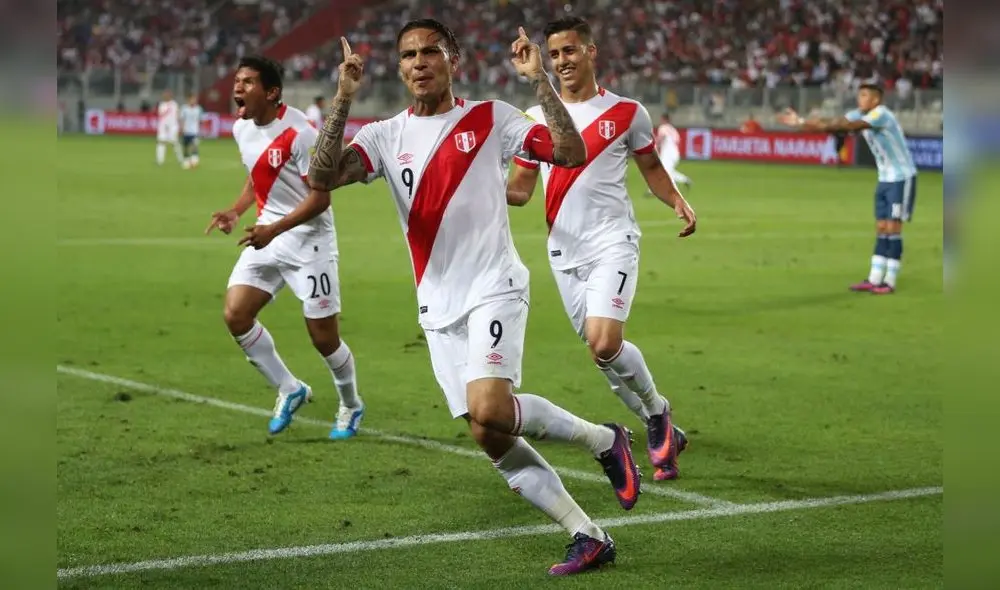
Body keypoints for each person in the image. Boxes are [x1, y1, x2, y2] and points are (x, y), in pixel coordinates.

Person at [309, 21, 641, 576]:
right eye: (408, 55)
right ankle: (587, 533)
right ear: (399, 67)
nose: (419, 62)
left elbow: (569, 149)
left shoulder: (491, 116)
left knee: (490, 407)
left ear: (453, 59)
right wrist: (343, 98)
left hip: (495, 285)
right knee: (490, 434)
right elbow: (321, 176)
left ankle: (605, 440)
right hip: (437, 304)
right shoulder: (384, 135)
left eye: (430, 52)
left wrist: (539, 82)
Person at [506, 16, 696, 482]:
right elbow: (520, 191)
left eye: (569, 51)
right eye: (553, 54)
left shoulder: (628, 112)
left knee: (607, 341)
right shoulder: (535, 120)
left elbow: (650, 165)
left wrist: (676, 199)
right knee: (600, 351)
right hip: (562, 251)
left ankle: (656, 414)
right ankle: (665, 427)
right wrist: (472, 190)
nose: (561, 61)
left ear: (591, 52)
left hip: (614, 240)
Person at [205, 55, 364, 439]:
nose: (237, 88)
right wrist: (236, 210)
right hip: (268, 234)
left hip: (309, 242)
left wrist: (273, 229)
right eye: (237, 81)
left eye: (247, 82)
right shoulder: (243, 129)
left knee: (324, 339)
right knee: (236, 315)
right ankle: (290, 388)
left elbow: (321, 198)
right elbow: (258, 174)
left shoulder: (302, 133)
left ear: (272, 92)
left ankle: (351, 405)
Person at [779, 83, 917, 294]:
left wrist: (833, 126)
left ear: (875, 100)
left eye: (864, 95)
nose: (859, 99)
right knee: (881, 228)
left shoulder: (881, 115)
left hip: (901, 178)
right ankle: (874, 278)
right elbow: (834, 123)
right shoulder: (857, 113)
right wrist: (800, 122)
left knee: (893, 228)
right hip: (884, 179)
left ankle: (889, 281)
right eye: (859, 95)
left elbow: (849, 127)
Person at [654, 112, 691, 188]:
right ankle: (684, 180)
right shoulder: (673, 129)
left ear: (663, 119)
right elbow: (677, 140)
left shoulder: (663, 127)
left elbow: (662, 137)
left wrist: (657, 145)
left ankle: (674, 191)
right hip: (674, 153)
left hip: (667, 154)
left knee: (665, 171)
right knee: (667, 171)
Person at [155, 89, 184, 166]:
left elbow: (178, 115)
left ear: (170, 95)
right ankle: (160, 161)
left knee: (174, 143)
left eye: (167, 94)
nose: (165, 96)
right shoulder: (161, 105)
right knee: (161, 142)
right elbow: (161, 116)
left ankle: (180, 159)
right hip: (163, 127)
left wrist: (180, 125)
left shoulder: (174, 104)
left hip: (173, 127)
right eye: (164, 94)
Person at [179, 94, 204, 169]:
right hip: (186, 131)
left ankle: (194, 161)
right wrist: (182, 129)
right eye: (192, 99)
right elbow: (182, 119)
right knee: (185, 147)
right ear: (188, 100)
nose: (194, 101)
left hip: (195, 132)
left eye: (194, 99)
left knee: (194, 146)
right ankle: (186, 161)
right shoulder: (184, 108)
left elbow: (200, 120)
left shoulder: (198, 109)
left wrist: (200, 130)